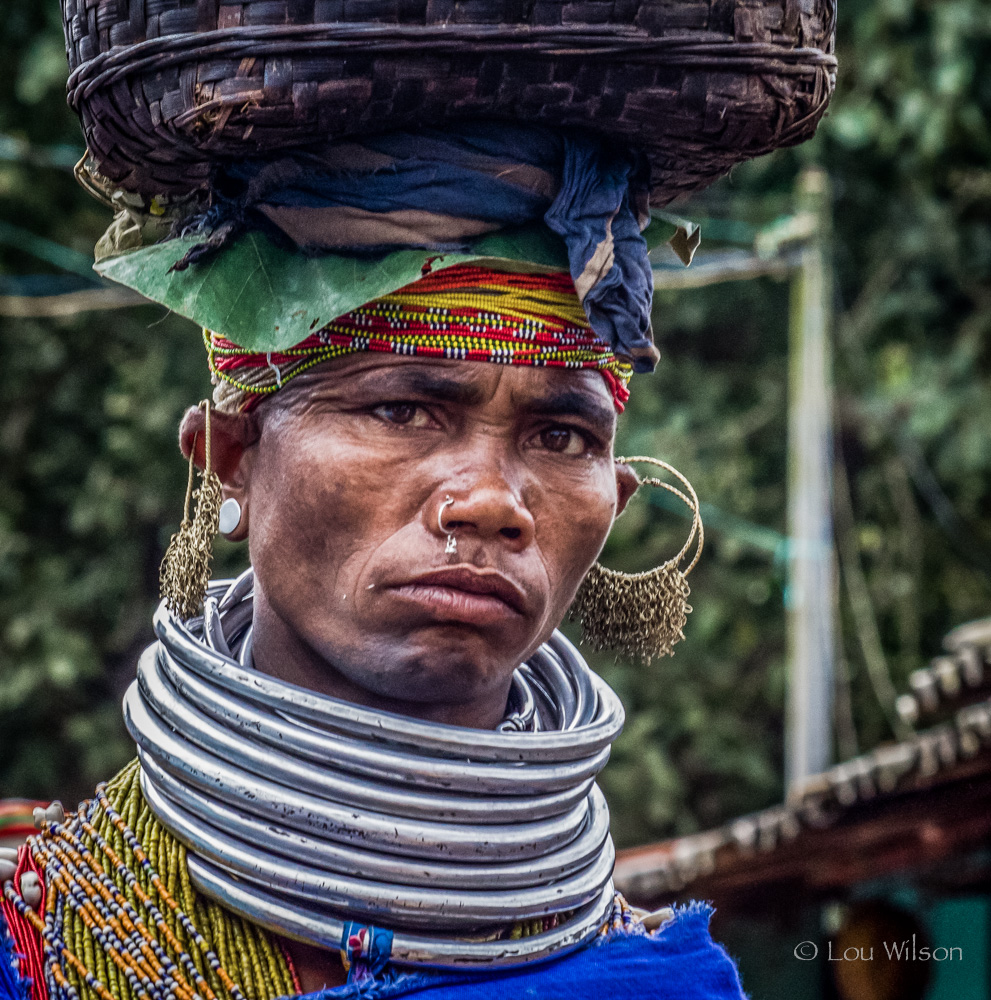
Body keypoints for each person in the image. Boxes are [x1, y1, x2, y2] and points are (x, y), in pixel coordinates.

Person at [1, 130, 745, 1000]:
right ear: (228, 456)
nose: (492, 503)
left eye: (560, 436)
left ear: (615, 501)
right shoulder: (37, 951)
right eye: (401, 410)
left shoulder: (653, 983)